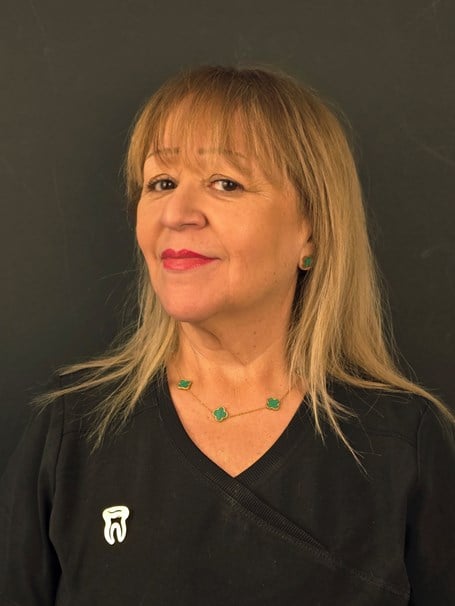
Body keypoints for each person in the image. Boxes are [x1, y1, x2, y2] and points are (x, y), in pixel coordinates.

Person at [1, 65, 454, 606]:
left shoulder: (403, 444)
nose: (176, 213)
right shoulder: (72, 432)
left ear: (312, 230)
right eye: (161, 183)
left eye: (226, 183)